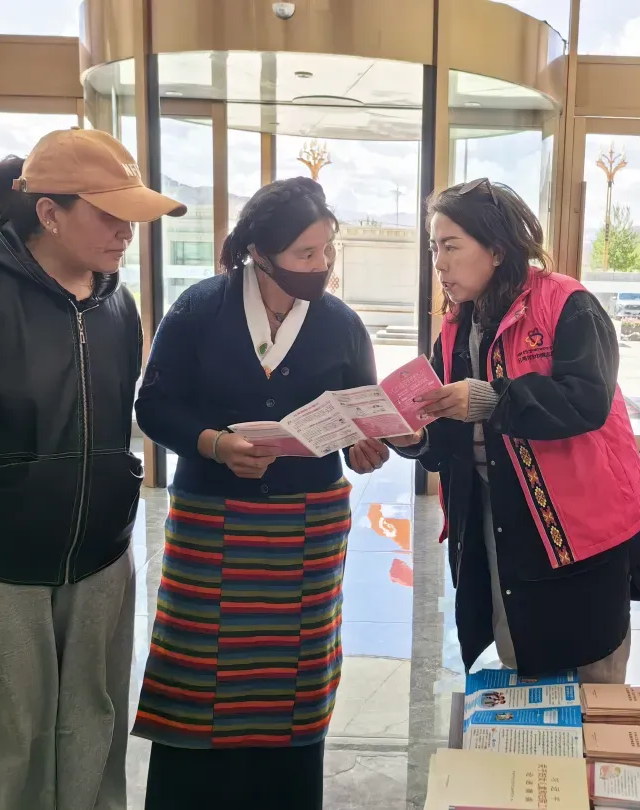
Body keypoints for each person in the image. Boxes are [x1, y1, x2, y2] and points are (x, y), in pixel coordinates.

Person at [0, 128, 186, 809]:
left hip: (98, 560)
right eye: (110, 215)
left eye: (132, 218)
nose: (126, 233)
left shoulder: (116, 303)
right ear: (50, 212)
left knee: (92, 727)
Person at [132, 176, 389, 810]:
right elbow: (154, 406)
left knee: (295, 677)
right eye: (306, 253)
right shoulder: (200, 309)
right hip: (212, 522)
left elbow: (363, 413)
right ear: (260, 253)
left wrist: (366, 447)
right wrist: (215, 444)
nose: (321, 265)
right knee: (197, 667)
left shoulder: (341, 324)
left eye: (326, 250)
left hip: (308, 527)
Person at [391, 178, 640, 682]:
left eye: (451, 246)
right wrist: (415, 436)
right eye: (433, 248)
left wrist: (488, 397)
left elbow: (586, 399)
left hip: (577, 521)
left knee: (594, 665)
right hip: (498, 511)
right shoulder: (457, 325)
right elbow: (447, 426)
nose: (440, 264)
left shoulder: (568, 304)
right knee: (522, 649)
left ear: (496, 249)